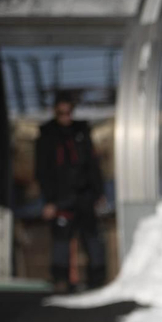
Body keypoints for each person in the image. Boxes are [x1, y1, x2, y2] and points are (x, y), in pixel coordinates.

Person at [35, 90, 107, 294]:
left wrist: (98, 191)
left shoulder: (81, 132)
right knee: (61, 240)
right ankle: (61, 279)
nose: (65, 117)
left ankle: (97, 279)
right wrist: (49, 200)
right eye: (61, 113)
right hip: (60, 197)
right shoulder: (47, 135)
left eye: (68, 113)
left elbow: (93, 164)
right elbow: (42, 171)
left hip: (85, 194)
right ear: (55, 112)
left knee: (92, 236)